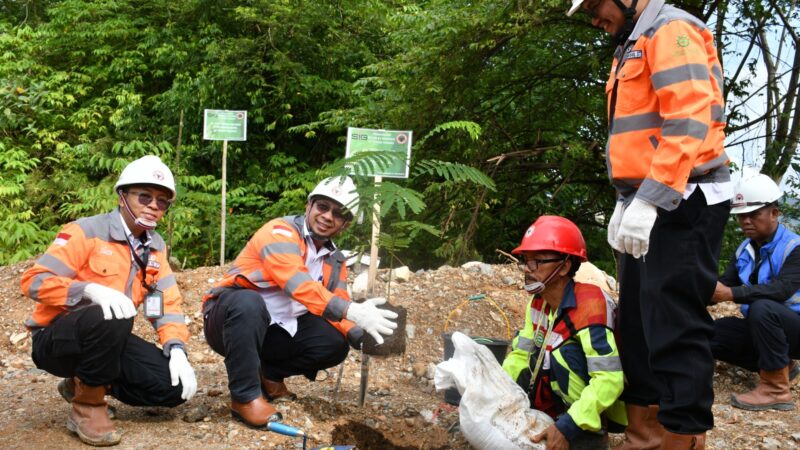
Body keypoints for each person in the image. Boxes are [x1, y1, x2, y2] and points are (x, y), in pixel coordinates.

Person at [566, 0, 731, 448]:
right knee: (638, 320)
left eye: (596, 7)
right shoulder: (633, 43)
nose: (595, 19)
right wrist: (627, 200)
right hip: (647, 200)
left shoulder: (672, 30)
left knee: (674, 320)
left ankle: (681, 437)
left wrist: (650, 199)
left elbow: (689, 117)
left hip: (685, 198)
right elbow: (638, 135)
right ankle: (645, 434)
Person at [20, 155, 197, 447]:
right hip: (57, 339)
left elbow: (166, 304)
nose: (154, 205)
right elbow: (33, 281)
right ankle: (87, 406)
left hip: (107, 339)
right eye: (145, 196)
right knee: (113, 314)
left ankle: (83, 381)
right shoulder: (86, 231)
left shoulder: (155, 247)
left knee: (172, 389)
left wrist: (176, 348)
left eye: (162, 201)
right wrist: (88, 290)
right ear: (122, 196)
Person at [202, 175, 398, 428]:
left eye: (338, 214)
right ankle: (245, 398)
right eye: (322, 207)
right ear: (309, 207)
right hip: (229, 320)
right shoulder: (280, 232)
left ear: (345, 225)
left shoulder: (335, 260)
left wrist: (360, 335)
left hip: (276, 328)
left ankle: (270, 374)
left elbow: (337, 301)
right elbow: (296, 284)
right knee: (249, 303)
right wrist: (353, 311)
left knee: (334, 344)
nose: (327, 216)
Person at [502, 216, 626, 450]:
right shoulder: (538, 303)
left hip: (590, 414)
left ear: (565, 266)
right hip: (549, 408)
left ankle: (587, 435)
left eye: (537, 262)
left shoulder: (590, 306)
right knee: (535, 354)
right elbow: (521, 355)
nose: (528, 270)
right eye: (525, 261)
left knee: (561, 353)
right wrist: (498, 392)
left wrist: (568, 426)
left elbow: (609, 380)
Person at [710, 173, 800, 411]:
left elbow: (782, 289)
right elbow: (722, 284)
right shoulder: (745, 250)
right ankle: (783, 365)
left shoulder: (795, 247)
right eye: (741, 215)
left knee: (763, 306)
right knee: (709, 333)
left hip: (795, 328)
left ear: (774, 213)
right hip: (767, 330)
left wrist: (730, 293)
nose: (746, 221)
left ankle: (776, 389)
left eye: (754, 214)